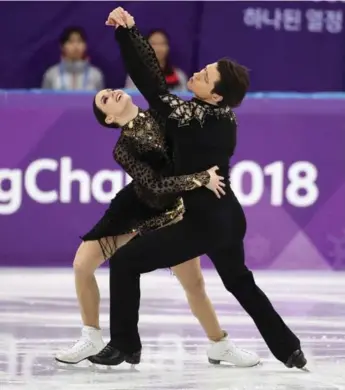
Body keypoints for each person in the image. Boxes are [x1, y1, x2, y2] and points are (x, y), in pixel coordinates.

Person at [89, 7, 307, 370]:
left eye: (205, 76)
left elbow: (153, 85)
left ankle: (125, 344)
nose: (197, 74)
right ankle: (289, 349)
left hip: (205, 221)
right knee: (239, 281)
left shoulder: (195, 117)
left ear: (216, 95)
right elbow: (159, 90)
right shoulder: (220, 116)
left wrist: (128, 32)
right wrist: (130, 33)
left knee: (125, 262)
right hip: (228, 216)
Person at [54, 84, 259, 366]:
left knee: (194, 284)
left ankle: (219, 345)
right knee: (82, 264)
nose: (111, 92)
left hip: (172, 210)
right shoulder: (123, 148)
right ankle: (91, 335)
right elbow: (154, 184)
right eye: (104, 98)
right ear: (109, 119)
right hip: (134, 207)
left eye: (111, 89)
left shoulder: (163, 116)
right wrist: (199, 178)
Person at [42, 26, 104, 91]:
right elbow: (45, 100)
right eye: (71, 42)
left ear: (85, 45)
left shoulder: (96, 75)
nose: (75, 46)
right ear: (62, 46)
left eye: (79, 41)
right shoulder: (51, 74)